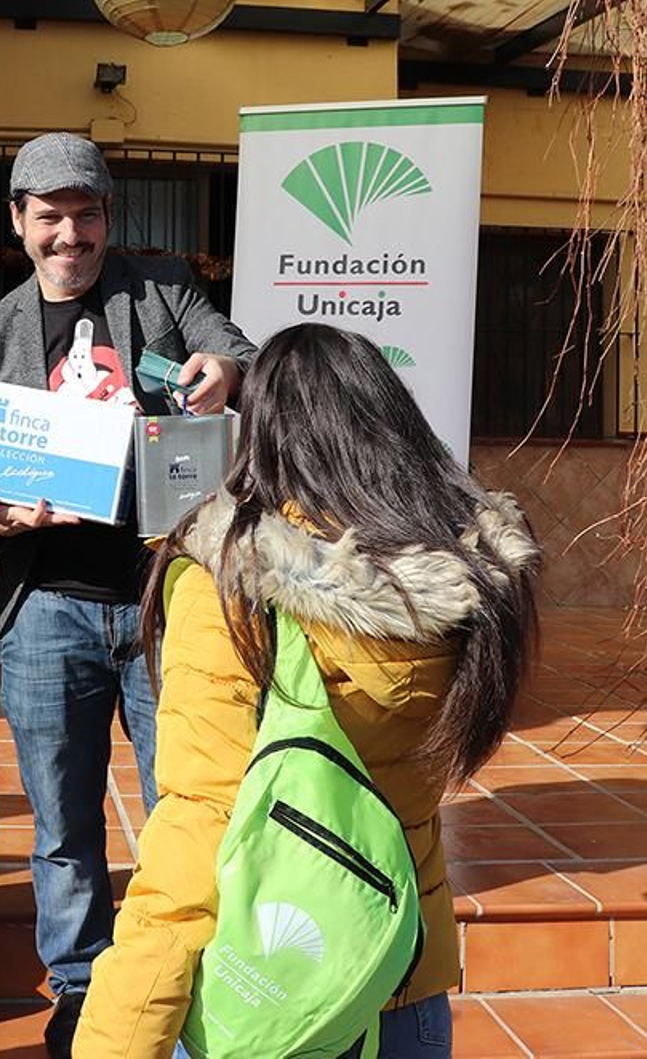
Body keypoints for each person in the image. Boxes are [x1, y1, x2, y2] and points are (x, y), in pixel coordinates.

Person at [75, 323, 541, 1058]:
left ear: (263, 436)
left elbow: (199, 829)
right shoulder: (469, 586)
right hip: (402, 980)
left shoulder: (233, 585)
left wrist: (114, 1041)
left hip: (271, 991)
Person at [0, 133, 256, 1058]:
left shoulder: (160, 286)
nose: (70, 234)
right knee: (62, 821)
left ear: (107, 217)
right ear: (18, 222)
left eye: (85, 214)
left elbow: (232, 345)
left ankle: (190, 976)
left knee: (192, 799)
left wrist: (226, 372)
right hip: (46, 604)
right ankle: (83, 988)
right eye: (49, 216)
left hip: (167, 599)